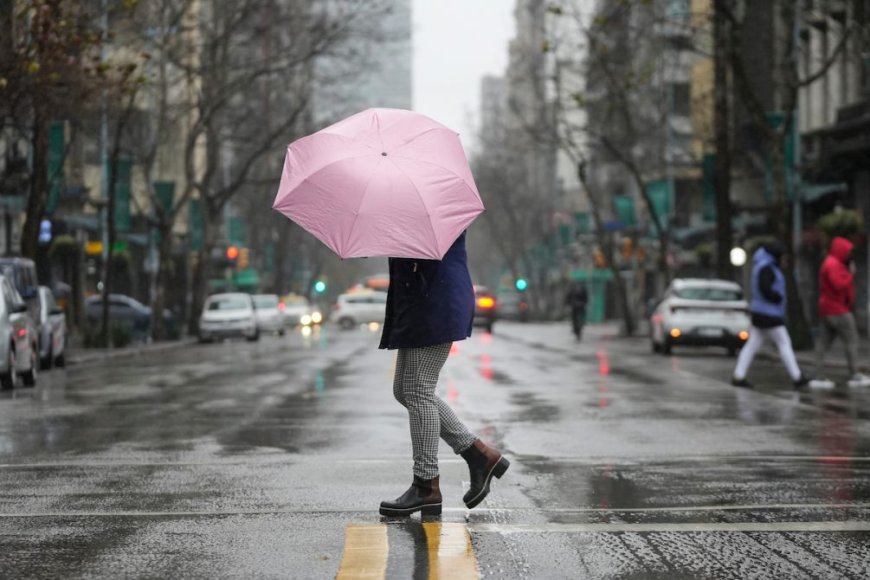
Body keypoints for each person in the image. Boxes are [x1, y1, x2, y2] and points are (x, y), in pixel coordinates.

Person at [378, 231, 509, 517]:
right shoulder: (416, 205)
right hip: (425, 302)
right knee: (406, 390)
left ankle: (426, 485)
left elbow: (422, 251)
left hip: (434, 302)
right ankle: (479, 456)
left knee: (417, 391)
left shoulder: (426, 210)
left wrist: (390, 236)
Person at [731, 241, 810, 389]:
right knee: (784, 344)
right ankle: (797, 377)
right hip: (770, 314)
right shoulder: (767, 268)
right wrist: (776, 297)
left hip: (760, 313)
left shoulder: (761, 266)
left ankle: (739, 375)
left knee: (752, 345)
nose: (785, 260)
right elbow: (765, 288)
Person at [810, 236, 870, 388]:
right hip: (837, 309)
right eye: (848, 251)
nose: (849, 254)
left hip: (828, 309)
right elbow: (839, 284)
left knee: (823, 342)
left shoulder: (831, 262)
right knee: (851, 340)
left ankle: (818, 375)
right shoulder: (833, 264)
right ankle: (854, 374)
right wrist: (850, 274)